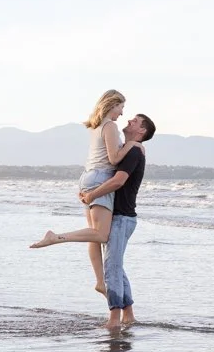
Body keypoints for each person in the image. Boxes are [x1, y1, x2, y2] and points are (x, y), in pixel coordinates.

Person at [31, 114, 155, 329]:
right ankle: (128, 315)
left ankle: (114, 319)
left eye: (135, 121)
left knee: (112, 268)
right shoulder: (129, 148)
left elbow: (118, 181)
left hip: (122, 218)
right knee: (115, 266)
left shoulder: (134, 151)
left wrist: (92, 195)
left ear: (142, 131)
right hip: (118, 216)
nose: (129, 121)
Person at [30, 89, 139, 295]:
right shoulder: (109, 126)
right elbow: (114, 159)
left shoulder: (96, 126)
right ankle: (56, 237)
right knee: (101, 234)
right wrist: (132, 144)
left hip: (88, 178)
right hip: (100, 178)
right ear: (112, 104)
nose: (122, 113)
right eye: (121, 107)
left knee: (94, 235)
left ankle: (100, 282)